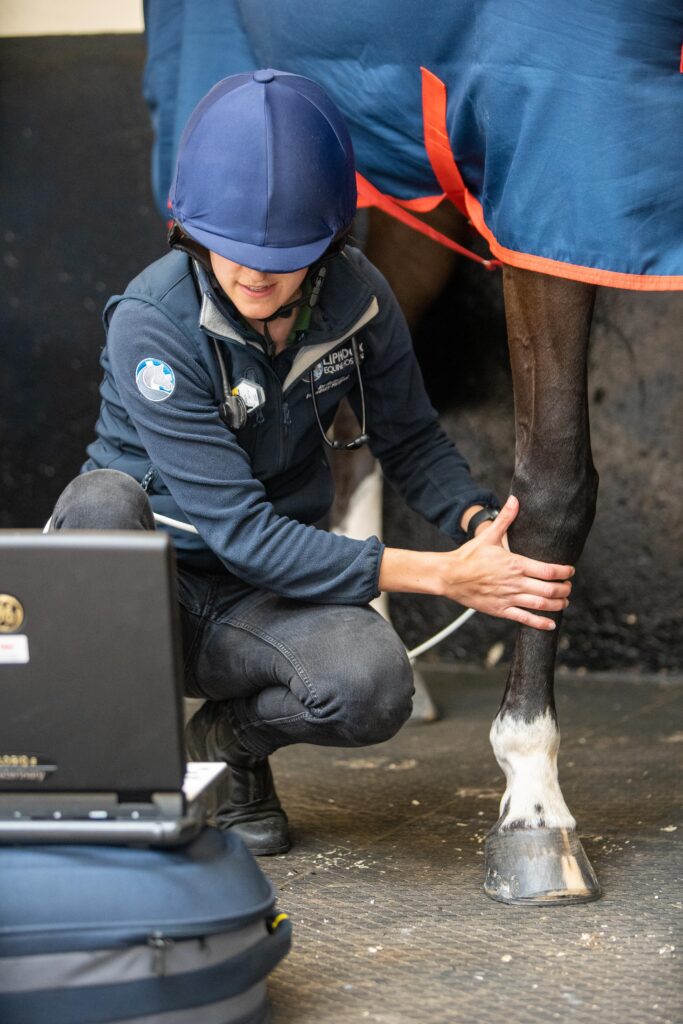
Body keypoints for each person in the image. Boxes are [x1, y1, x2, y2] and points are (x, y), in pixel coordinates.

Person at [51, 69, 574, 856]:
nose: (255, 272)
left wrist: (474, 524)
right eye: (231, 248)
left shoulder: (356, 297)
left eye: (284, 252)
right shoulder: (152, 324)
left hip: (262, 595)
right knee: (99, 504)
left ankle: (226, 752)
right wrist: (441, 576)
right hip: (153, 581)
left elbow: (409, 438)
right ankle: (104, 770)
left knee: (372, 684)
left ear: (329, 239)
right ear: (190, 229)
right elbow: (240, 531)